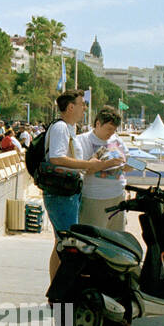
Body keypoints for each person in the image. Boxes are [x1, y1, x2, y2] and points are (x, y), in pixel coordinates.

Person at [44, 90, 122, 281]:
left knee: (64, 242)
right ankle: (58, 292)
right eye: (82, 104)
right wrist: (89, 164)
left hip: (68, 191)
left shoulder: (68, 128)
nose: (85, 108)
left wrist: (91, 160)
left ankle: (58, 290)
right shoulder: (61, 128)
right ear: (71, 107)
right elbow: (56, 158)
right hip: (62, 194)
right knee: (65, 243)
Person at [76, 105, 128, 232]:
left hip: (118, 195)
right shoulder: (83, 140)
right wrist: (110, 163)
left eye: (114, 130)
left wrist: (133, 164)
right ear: (98, 124)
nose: (111, 133)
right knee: (93, 237)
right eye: (109, 129)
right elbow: (86, 169)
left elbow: (128, 161)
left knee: (117, 236)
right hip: (95, 197)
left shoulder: (116, 140)